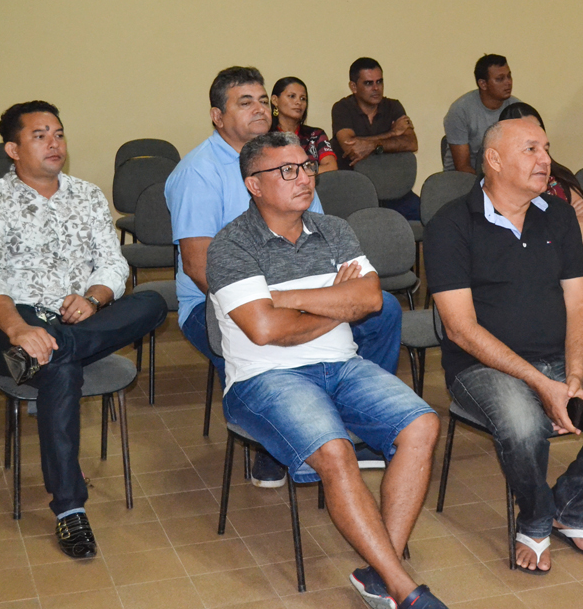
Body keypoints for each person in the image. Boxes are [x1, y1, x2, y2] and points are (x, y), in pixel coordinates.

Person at [206, 132, 445, 609]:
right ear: (254, 184)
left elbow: (371, 299)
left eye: (307, 167)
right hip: (264, 380)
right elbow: (266, 331)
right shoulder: (230, 245)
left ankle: (381, 572)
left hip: (342, 365)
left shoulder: (334, 229)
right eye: (287, 170)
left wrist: (287, 297)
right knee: (337, 453)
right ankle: (404, 589)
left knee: (423, 424)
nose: (304, 177)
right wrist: (339, 305)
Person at [424, 118, 583, 574]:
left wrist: (573, 377)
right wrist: (543, 384)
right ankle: (536, 520)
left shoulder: (555, 214)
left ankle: (571, 507)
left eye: (547, 148)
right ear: (494, 160)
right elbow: (459, 329)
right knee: (523, 423)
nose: (546, 160)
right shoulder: (452, 224)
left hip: (560, 357)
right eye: (532, 149)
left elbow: (581, 303)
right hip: (483, 367)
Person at [166, 66, 403, 489]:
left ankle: (356, 420)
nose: (259, 108)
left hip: (293, 291)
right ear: (217, 116)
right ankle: (278, 445)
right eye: (244, 102)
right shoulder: (197, 173)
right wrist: (322, 302)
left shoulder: (289, 159)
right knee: (255, 338)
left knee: (384, 309)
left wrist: (309, 298)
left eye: (262, 100)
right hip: (215, 302)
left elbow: (325, 242)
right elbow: (199, 267)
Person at [0, 101, 168, 559]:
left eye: (58, 133)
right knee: (62, 370)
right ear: (13, 149)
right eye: (39, 136)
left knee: (152, 302)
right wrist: (19, 330)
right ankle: (69, 510)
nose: (54, 143)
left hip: (78, 318)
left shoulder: (87, 195)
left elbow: (112, 262)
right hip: (9, 322)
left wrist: (94, 297)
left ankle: (56, 349)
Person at [499, 102, 583, 348]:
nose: (536, 140)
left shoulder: (559, 176)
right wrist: (566, 217)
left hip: (569, 251)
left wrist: (570, 218)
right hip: (527, 260)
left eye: (539, 130)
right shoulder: (501, 182)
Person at [330, 57, 420, 220]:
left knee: (432, 217)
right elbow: (351, 147)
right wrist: (392, 134)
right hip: (354, 193)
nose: (376, 88)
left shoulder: (393, 106)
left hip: (393, 190)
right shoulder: (342, 108)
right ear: (353, 87)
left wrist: (373, 145)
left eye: (379, 82)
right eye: (368, 83)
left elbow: (411, 143)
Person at [443, 53, 520, 174]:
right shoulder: (460, 111)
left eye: (509, 76)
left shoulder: (517, 108)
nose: (508, 83)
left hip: (502, 177)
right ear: (483, 84)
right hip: (463, 181)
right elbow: (462, 167)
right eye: (500, 79)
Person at [270, 76, 338, 173]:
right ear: (275, 100)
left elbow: (331, 167)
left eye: (303, 98)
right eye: (292, 96)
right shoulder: (264, 137)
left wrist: (296, 174)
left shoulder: (315, 135)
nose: (298, 102)